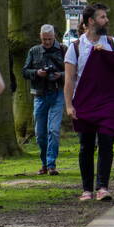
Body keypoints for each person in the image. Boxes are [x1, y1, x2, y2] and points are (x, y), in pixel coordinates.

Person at [64, 3, 114, 201]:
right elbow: (70, 79)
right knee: (86, 146)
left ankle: (103, 186)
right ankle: (86, 189)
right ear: (91, 21)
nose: (106, 21)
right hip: (85, 102)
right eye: (102, 17)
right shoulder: (75, 47)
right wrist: (69, 105)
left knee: (107, 143)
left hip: (108, 102)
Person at [22, 25, 66, 175]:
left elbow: (73, 71)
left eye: (49, 39)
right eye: (44, 39)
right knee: (40, 133)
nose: (47, 42)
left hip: (57, 93)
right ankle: (44, 163)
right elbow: (25, 71)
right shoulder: (34, 51)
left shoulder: (63, 49)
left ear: (54, 36)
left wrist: (60, 75)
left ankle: (51, 164)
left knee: (53, 130)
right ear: (40, 37)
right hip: (39, 95)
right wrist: (37, 73)